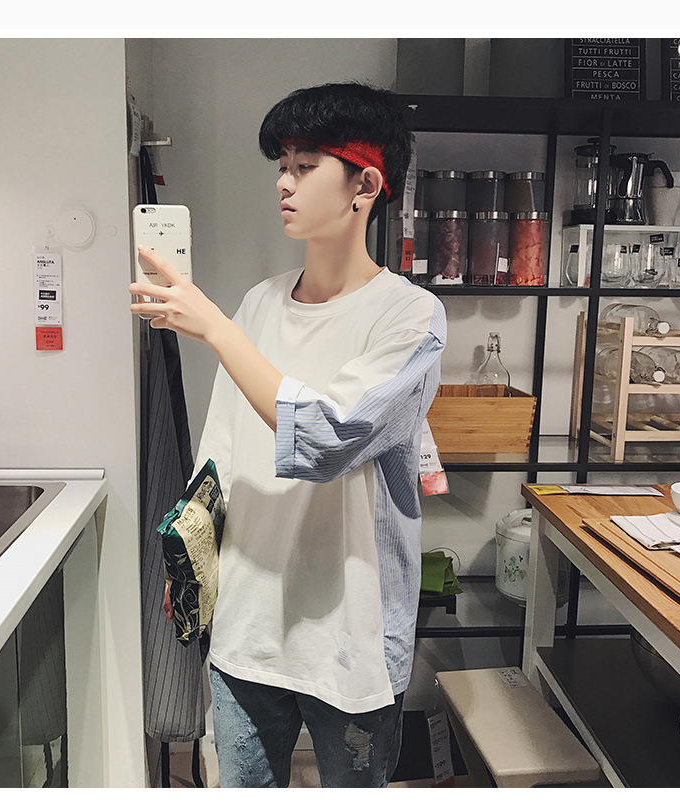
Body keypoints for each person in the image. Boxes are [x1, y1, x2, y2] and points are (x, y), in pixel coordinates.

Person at [129, 81, 447, 788]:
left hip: (350, 633)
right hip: (247, 622)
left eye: (306, 166)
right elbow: (222, 448)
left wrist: (215, 329)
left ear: (366, 184)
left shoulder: (411, 317)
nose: (284, 182)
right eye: (282, 165)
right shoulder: (259, 303)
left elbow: (329, 437)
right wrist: (191, 556)